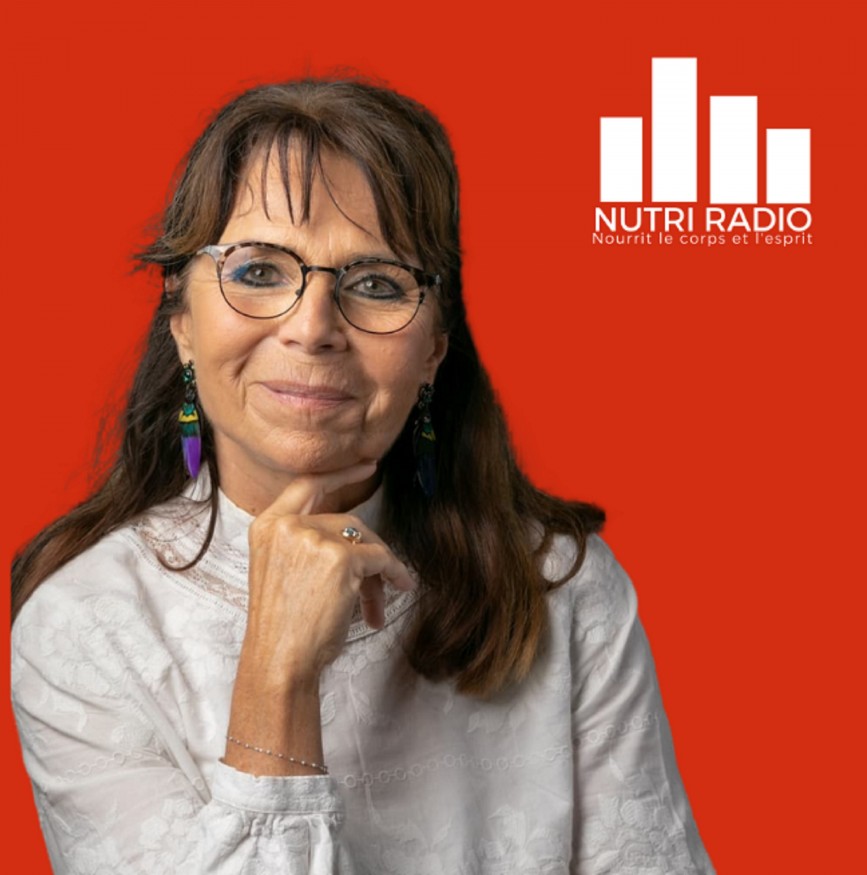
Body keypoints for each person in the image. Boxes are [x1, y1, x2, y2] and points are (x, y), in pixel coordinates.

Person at [11, 78, 715, 874]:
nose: (312, 328)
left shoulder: (560, 584)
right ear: (181, 321)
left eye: (375, 283)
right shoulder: (85, 625)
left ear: (433, 350)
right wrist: (277, 673)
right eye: (257, 272)